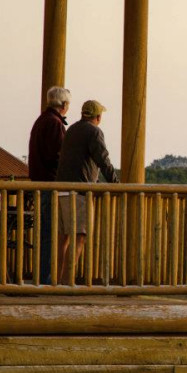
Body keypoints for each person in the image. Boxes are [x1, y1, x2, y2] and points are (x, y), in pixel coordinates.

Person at [55, 100, 119, 283]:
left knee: (64, 238)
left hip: (61, 189)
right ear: (98, 117)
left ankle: (58, 282)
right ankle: (68, 283)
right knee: (79, 236)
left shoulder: (72, 130)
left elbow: (81, 162)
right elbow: (103, 160)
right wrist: (115, 184)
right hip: (79, 191)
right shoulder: (94, 132)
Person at [28, 86, 70, 284]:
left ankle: (41, 276)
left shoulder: (42, 120)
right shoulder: (54, 124)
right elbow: (58, 156)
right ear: (64, 105)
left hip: (39, 182)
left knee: (45, 233)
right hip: (49, 184)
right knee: (48, 234)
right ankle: (44, 279)